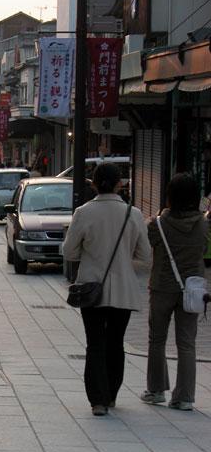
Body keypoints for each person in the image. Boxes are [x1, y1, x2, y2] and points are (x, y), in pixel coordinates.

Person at [62, 163, 151, 416]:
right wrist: (124, 259)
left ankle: (97, 401)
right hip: (123, 289)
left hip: (91, 289)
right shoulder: (133, 214)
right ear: (119, 184)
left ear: (93, 184)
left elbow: (69, 252)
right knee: (115, 342)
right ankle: (111, 394)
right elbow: (145, 256)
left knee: (95, 343)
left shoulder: (83, 212)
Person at [142, 173, 209, 411]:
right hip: (193, 288)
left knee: (157, 338)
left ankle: (156, 390)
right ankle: (184, 397)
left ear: (170, 195)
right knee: (187, 342)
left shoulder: (158, 223)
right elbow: (204, 249)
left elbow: (149, 242)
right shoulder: (203, 224)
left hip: (162, 286)